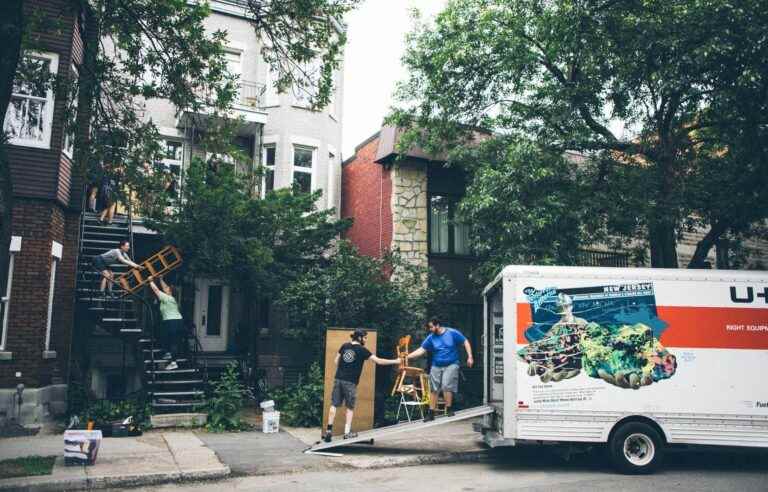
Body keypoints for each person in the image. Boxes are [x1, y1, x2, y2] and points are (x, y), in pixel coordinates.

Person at [323, 329, 400, 442]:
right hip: (350, 382)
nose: (365, 339)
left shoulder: (344, 346)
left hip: (338, 379)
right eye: (364, 337)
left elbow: (336, 361)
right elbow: (379, 361)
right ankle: (347, 433)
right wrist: (396, 361)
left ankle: (328, 431)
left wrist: (344, 368)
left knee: (334, 404)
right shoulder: (362, 350)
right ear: (359, 337)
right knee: (350, 407)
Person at [406, 318, 473, 421]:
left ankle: (449, 409)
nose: (430, 329)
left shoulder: (452, 333)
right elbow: (421, 350)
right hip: (436, 365)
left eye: (431, 327)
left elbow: (465, 342)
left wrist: (470, 357)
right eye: (429, 328)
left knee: (446, 385)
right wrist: (407, 357)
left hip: (451, 364)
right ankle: (431, 413)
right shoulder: (431, 337)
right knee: (434, 388)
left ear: (437, 325)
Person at [148, 276, 184, 371]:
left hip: (172, 321)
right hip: (174, 321)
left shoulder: (167, 298)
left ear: (170, 292)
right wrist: (161, 280)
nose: (165, 289)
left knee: (173, 342)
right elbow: (164, 288)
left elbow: (156, 290)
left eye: (167, 289)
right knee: (166, 337)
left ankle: (173, 363)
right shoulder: (170, 297)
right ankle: (168, 353)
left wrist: (150, 281)